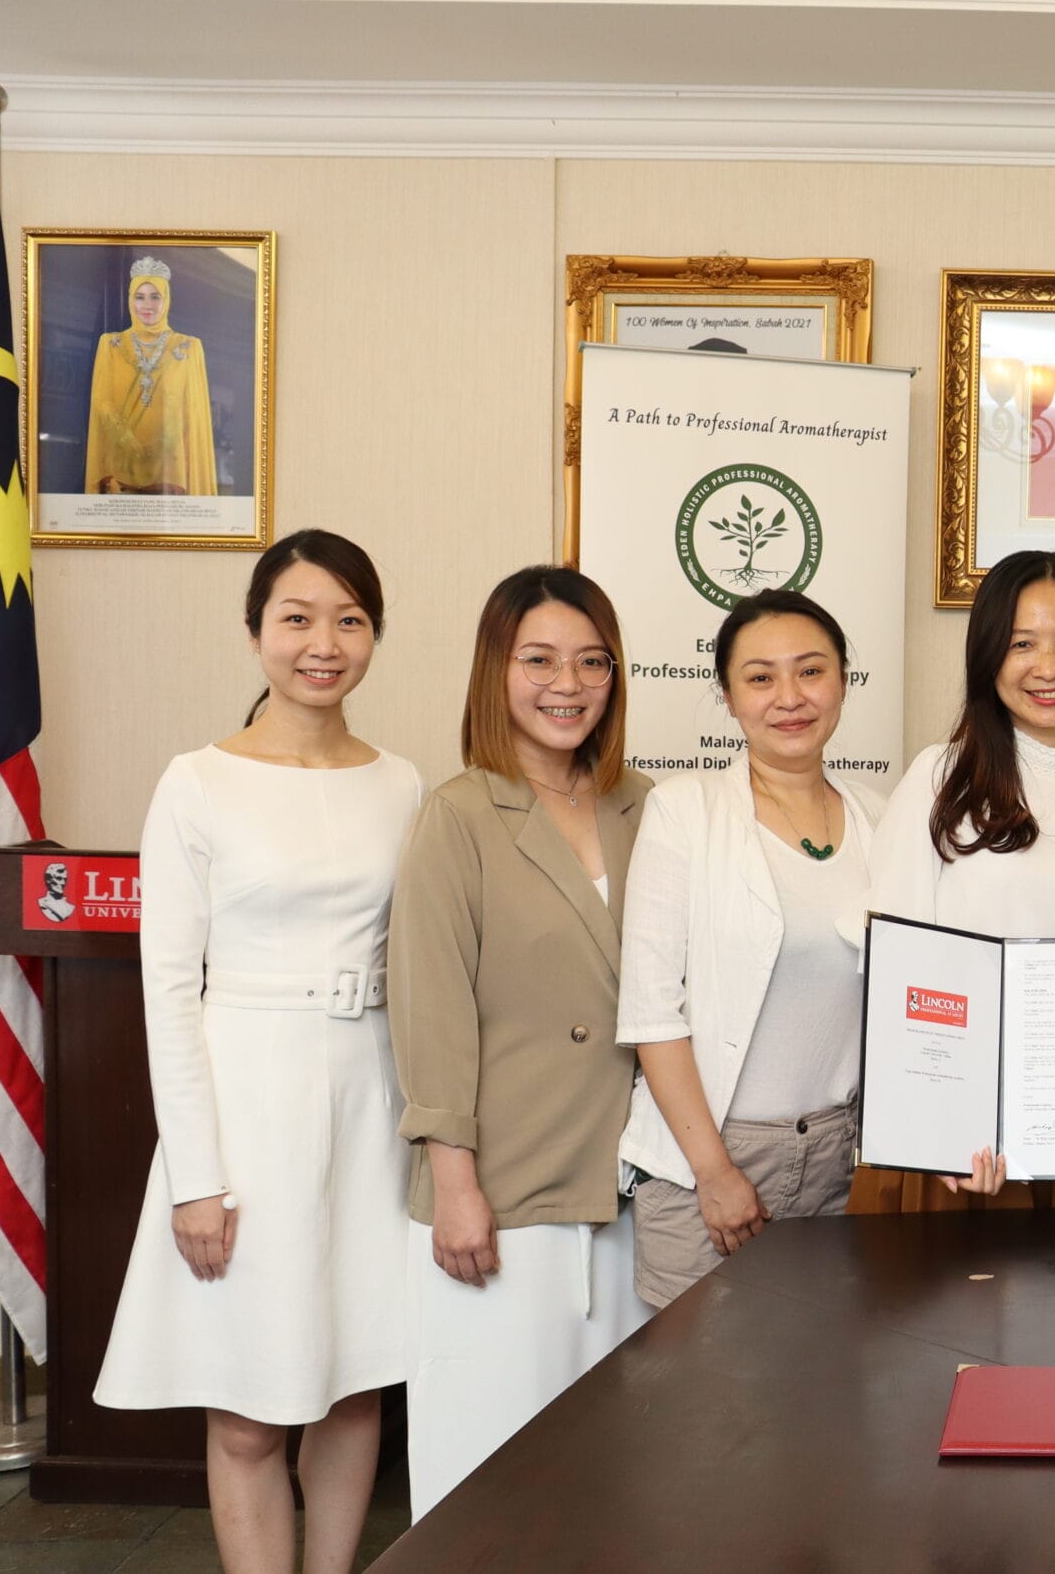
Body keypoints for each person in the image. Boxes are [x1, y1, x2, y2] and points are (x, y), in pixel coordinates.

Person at [94, 530, 419, 1574]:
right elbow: (166, 993)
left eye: (349, 620)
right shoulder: (197, 782)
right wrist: (197, 1178)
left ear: (373, 635)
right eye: (297, 618)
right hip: (245, 1106)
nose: (323, 644)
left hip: (370, 1101)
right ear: (254, 632)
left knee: (354, 1378)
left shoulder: (405, 785)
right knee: (247, 1413)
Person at [387, 566, 655, 1519]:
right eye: (537, 659)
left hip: (631, 1188)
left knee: (617, 1473)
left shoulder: (648, 807)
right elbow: (430, 1010)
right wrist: (456, 1184)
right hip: (501, 1192)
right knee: (489, 1474)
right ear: (494, 673)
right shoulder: (459, 813)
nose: (567, 683)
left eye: (592, 660)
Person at [855, 549, 1055, 1211]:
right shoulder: (939, 780)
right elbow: (893, 974)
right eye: (1021, 643)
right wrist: (935, 1130)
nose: (1048, 666)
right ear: (988, 656)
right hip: (959, 1155)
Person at [616, 590, 888, 1307]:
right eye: (761, 677)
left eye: (810, 671)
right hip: (709, 1157)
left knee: (817, 1390)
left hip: (837, 1157)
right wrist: (715, 1171)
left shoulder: (881, 819)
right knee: (699, 1406)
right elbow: (651, 1011)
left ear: (843, 680)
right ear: (730, 695)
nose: (789, 697)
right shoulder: (684, 811)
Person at [84, 255, 218, 496]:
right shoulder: (111, 345)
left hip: (171, 477)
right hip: (120, 473)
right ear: (130, 300)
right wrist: (129, 443)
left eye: (155, 296)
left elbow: (192, 413)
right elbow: (102, 402)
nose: (148, 305)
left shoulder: (188, 347)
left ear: (166, 299)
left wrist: (160, 447)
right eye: (140, 297)